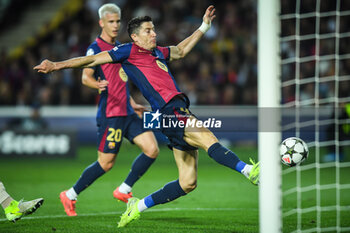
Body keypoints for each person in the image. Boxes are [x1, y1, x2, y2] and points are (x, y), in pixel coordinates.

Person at [34, 5, 260, 227]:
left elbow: (180, 50)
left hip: (172, 113)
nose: (154, 33)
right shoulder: (127, 51)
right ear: (135, 36)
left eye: (154, 29)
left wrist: (203, 26)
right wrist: (55, 66)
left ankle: (138, 206)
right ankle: (250, 171)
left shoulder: (157, 52)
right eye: (148, 31)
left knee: (188, 183)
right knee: (208, 138)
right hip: (170, 110)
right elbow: (91, 60)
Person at [58, 3, 160, 216]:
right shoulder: (95, 48)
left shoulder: (121, 48)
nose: (115, 25)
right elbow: (85, 77)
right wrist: (97, 84)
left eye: (118, 21)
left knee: (152, 149)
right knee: (106, 164)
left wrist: (131, 101)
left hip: (128, 112)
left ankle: (124, 190)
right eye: (111, 22)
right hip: (110, 115)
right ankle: (70, 194)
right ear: (101, 22)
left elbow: (121, 81)